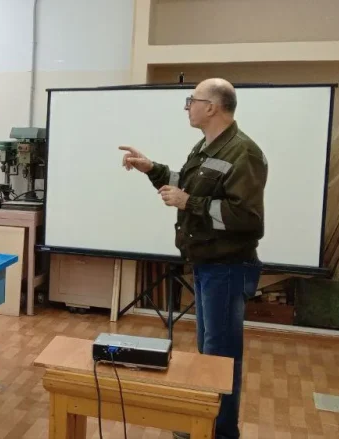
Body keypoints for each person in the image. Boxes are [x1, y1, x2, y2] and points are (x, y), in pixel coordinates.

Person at [119, 78, 266, 439]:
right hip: (207, 263)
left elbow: (246, 218)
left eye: (192, 100)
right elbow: (187, 183)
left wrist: (190, 203)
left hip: (227, 267)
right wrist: (151, 168)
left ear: (212, 107)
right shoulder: (206, 146)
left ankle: (220, 432)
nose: (188, 106)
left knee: (220, 355)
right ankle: (205, 423)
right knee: (209, 349)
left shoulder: (243, 153)